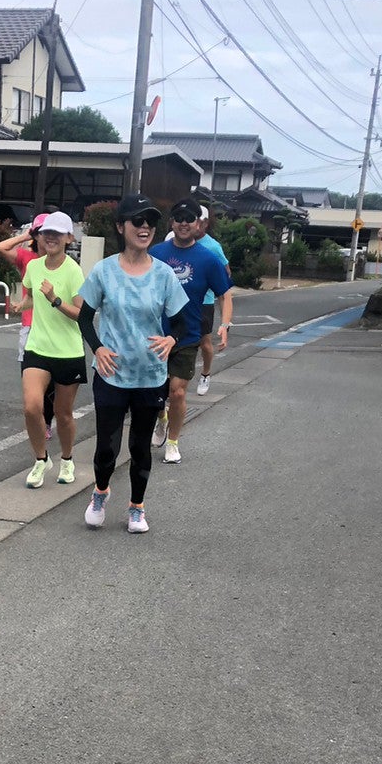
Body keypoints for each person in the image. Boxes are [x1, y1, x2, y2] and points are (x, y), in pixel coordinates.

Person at [75, 194, 189, 533]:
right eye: (137, 221)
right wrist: (98, 349)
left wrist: (172, 340)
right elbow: (84, 318)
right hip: (111, 374)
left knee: (140, 446)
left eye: (150, 222)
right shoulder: (104, 271)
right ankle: (100, 492)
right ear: (120, 226)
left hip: (150, 375)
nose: (144, 227)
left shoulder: (164, 275)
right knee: (106, 448)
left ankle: (137, 508)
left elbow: (182, 322)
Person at [149, 197, 233, 464]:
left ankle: (173, 443)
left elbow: (225, 294)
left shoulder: (208, 259)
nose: (184, 223)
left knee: (178, 391)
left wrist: (224, 325)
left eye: (189, 219)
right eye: (179, 218)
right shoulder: (156, 253)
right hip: (155, 334)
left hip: (187, 334)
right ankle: (161, 418)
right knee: (155, 392)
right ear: (172, 222)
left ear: (199, 224)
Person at [18, 210, 86, 488]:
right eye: (47, 232)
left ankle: (67, 460)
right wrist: (20, 305)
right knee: (31, 407)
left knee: (63, 413)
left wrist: (55, 299)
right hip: (37, 347)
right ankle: (40, 459)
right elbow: (30, 297)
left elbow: (81, 314)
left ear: (69, 238)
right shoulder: (34, 267)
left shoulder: (74, 271)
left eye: (57, 233)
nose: (51, 237)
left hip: (68, 352)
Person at [0, 213, 55, 443]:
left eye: (51, 232)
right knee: (30, 378)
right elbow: (1, 247)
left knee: (52, 381)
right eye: (42, 232)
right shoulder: (26, 258)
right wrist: (25, 235)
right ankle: (37, 418)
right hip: (30, 326)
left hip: (54, 326)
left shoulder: (61, 262)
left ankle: (47, 420)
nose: (47, 237)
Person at [193, 206, 232, 396]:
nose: (195, 225)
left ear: (206, 223)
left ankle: (206, 374)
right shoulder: (177, 240)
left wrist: (214, 283)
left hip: (205, 301)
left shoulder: (213, 246)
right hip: (181, 301)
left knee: (204, 342)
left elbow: (226, 272)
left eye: (199, 221)